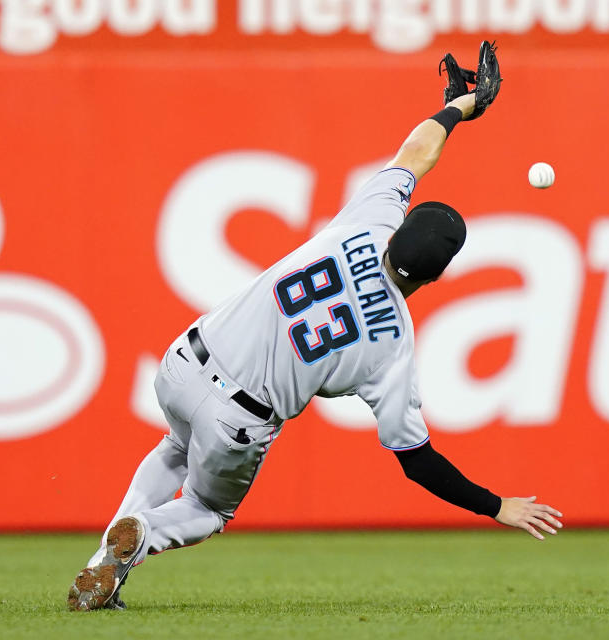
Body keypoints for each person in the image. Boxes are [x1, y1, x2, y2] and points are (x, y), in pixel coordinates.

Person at [68, 51, 563, 612]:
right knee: (205, 512)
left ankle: (101, 569)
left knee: (177, 444)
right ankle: (140, 536)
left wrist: (458, 106)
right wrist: (495, 505)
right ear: (437, 275)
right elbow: (416, 458)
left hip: (185, 359)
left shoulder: (367, 221)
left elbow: (415, 154)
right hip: (240, 418)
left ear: (401, 225)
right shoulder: (392, 345)